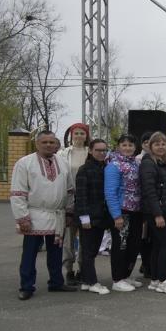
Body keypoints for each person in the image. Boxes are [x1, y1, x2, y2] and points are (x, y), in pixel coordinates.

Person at [11, 131, 77, 300]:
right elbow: (18, 193)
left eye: (51, 142)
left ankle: (56, 282)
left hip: (57, 215)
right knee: (30, 253)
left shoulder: (63, 163)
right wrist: (22, 217)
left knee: (56, 253)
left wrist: (69, 211)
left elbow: (69, 190)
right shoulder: (24, 163)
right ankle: (26, 286)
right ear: (37, 144)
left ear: (56, 144)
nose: (48, 145)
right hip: (34, 215)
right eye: (44, 142)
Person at [138, 132, 166, 294]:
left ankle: (155, 279)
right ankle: (163, 279)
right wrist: (158, 214)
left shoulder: (163, 163)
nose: (161, 147)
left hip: (164, 210)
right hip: (157, 211)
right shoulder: (149, 163)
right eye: (157, 144)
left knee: (158, 244)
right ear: (150, 146)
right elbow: (149, 190)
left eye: (163, 144)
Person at [104, 134, 145, 292]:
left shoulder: (136, 163)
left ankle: (126, 275)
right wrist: (116, 215)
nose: (127, 148)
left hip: (136, 211)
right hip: (122, 211)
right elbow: (110, 192)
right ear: (118, 147)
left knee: (134, 245)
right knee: (120, 245)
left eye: (130, 145)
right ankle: (117, 279)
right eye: (124, 145)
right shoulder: (113, 165)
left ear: (135, 148)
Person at [75, 139, 111, 295]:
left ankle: (85, 279)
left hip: (101, 217)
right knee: (88, 251)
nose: (102, 153)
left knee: (93, 250)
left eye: (104, 150)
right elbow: (81, 196)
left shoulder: (106, 168)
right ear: (90, 151)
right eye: (98, 150)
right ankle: (92, 282)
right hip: (89, 217)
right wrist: (84, 218)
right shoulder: (84, 170)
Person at [58, 122, 90, 285]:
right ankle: (69, 270)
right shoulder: (63, 154)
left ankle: (83, 269)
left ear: (86, 136)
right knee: (69, 239)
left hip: (87, 201)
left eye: (81, 133)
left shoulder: (90, 153)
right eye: (76, 133)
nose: (78, 136)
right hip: (69, 201)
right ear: (71, 135)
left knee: (86, 237)